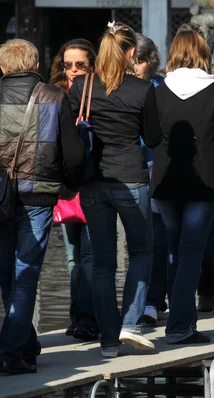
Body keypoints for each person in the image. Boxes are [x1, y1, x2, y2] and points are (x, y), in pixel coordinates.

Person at [68, 22, 161, 358]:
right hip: (131, 178)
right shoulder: (142, 88)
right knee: (142, 252)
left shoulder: (81, 86)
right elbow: (152, 138)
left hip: (93, 182)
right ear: (131, 52)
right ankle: (131, 322)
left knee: (103, 263)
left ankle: (108, 341)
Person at [0, 39, 85, 374]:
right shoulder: (54, 96)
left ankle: (26, 344)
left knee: (9, 273)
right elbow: (74, 155)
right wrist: (70, 185)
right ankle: (9, 350)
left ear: (3, 68)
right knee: (26, 274)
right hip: (39, 195)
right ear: (36, 65)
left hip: (0, 197)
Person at [152, 24, 214, 342]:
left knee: (174, 251)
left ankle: (178, 320)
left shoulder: (159, 90)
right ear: (203, 53)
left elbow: (149, 136)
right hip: (203, 181)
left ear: (174, 52)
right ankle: (179, 326)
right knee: (191, 252)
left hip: (165, 180)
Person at [49, 39, 98, 341]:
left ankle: (88, 319)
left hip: (94, 185)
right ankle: (77, 316)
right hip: (67, 189)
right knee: (73, 258)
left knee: (90, 256)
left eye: (80, 64)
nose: (74, 70)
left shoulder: (99, 93)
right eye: (68, 64)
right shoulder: (55, 94)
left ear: (92, 64)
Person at [131, 33, 169, 326]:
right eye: (131, 60)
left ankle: (153, 302)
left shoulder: (160, 87)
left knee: (157, 239)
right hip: (127, 171)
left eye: (140, 61)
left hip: (155, 168)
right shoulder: (118, 86)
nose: (135, 66)